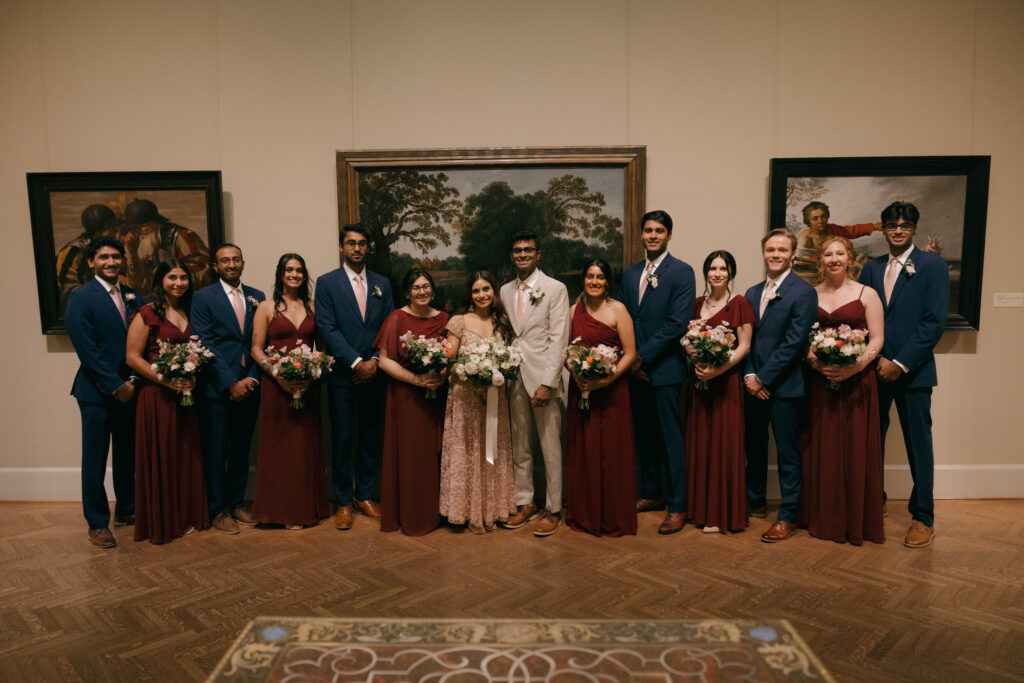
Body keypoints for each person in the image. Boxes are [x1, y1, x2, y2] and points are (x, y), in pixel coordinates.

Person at [859, 201, 948, 548]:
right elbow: (864, 319)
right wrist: (876, 360)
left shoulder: (933, 265)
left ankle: (923, 516)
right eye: (892, 225)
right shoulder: (871, 267)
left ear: (913, 227)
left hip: (913, 372)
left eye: (904, 225)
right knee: (870, 441)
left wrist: (899, 363)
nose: (898, 230)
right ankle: (874, 502)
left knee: (919, 446)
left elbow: (933, 322)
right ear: (883, 229)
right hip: (875, 371)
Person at [801, 236, 886, 545]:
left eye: (839, 253)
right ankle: (823, 517)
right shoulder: (810, 295)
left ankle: (855, 521)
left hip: (857, 383)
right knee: (823, 447)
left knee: (853, 448)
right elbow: (806, 339)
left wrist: (854, 367)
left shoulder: (867, 294)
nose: (833, 258)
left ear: (850, 258)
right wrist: (814, 362)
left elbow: (876, 340)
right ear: (819, 260)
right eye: (828, 254)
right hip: (821, 382)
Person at [315, 224, 394, 530]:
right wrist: (356, 361)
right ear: (341, 247)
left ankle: (365, 495)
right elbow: (327, 326)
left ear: (367, 247)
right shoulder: (327, 283)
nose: (357, 248)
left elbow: (389, 323)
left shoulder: (382, 284)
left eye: (362, 244)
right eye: (351, 243)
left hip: (375, 373)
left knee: (370, 436)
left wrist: (374, 360)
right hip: (342, 375)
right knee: (343, 438)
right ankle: (344, 501)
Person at [65, 237, 142, 548]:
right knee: (95, 460)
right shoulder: (81, 297)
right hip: (96, 392)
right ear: (91, 262)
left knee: (128, 455)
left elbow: (141, 344)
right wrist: (114, 385)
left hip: (130, 389)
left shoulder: (132, 296)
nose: (111, 262)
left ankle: (127, 509)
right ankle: (97, 523)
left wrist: (133, 381)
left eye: (116, 257)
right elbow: (86, 349)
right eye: (104, 257)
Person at [622, 210, 695, 535]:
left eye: (659, 230)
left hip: (664, 370)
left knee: (670, 439)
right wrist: (630, 361)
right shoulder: (631, 273)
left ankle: (678, 505)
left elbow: (676, 324)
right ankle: (651, 493)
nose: (653, 235)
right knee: (645, 437)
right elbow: (625, 319)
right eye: (648, 230)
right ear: (641, 234)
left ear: (669, 235)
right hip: (635, 371)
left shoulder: (682, 272)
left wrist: (642, 358)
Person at [126, 260, 208, 544]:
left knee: (186, 455)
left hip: (187, 394)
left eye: (184, 277)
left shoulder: (191, 310)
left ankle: (187, 514)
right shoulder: (147, 313)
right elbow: (133, 357)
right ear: (160, 280)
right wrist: (166, 380)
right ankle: (165, 520)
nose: (179, 283)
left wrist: (192, 376)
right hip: (157, 396)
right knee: (163, 456)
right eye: (172, 277)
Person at [743, 228, 818, 542]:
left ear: (792, 254)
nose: (775, 255)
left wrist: (763, 378)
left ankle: (789, 514)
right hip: (752, 385)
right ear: (763, 252)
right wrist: (749, 376)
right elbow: (743, 339)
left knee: (787, 453)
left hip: (785, 386)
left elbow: (794, 343)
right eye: (770, 249)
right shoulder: (751, 292)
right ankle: (755, 501)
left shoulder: (803, 292)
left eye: (782, 250)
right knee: (754, 447)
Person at [499, 231, 571, 537]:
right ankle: (525, 502)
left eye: (529, 250)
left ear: (538, 254)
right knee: (520, 446)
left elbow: (559, 340)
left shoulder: (555, 289)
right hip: (514, 378)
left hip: (544, 379)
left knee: (550, 447)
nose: (523, 254)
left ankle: (553, 508)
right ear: (512, 255)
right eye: (518, 251)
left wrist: (548, 382)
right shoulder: (504, 290)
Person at [250, 254, 329, 530]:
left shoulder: (313, 307)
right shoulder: (267, 307)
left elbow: (322, 349)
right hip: (276, 388)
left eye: (299, 270)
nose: (294, 274)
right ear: (281, 274)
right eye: (289, 270)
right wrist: (277, 375)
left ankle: (306, 508)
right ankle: (278, 511)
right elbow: (256, 349)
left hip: (307, 387)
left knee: (304, 447)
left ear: (304, 275)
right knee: (279, 448)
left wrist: (311, 375)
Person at [191, 244, 265, 535]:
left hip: (250, 385)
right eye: (225, 261)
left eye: (235, 259)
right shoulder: (202, 297)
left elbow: (263, 343)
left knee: (241, 449)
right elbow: (204, 343)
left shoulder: (257, 297)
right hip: (217, 388)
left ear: (243, 263)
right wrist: (230, 383)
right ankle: (218, 509)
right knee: (216, 450)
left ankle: (236, 502)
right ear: (215, 266)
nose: (231, 264)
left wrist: (252, 378)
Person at [439, 271, 517, 534]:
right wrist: (470, 370)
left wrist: (497, 370)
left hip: (494, 398)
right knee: (468, 450)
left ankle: (491, 510)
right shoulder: (459, 321)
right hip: (465, 398)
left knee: (493, 450)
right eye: (476, 291)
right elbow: (448, 359)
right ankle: (466, 511)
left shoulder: (501, 323)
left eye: (486, 289)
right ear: (469, 295)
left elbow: (507, 358)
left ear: (494, 292)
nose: (482, 295)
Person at [565, 259, 638, 537]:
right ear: (583, 280)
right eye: (589, 276)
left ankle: (612, 516)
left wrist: (606, 379)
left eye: (600, 277)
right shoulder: (573, 311)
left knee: (612, 451)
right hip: (582, 390)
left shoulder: (618, 309)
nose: (594, 281)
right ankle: (585, 513)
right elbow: (567, 350)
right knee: (584, 450)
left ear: (607, 281)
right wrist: (577, 373)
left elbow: (630, 352)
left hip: (612, 392)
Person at [683, 251, 754, 534]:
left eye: (723, 268)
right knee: (700, 441)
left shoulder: (740, 303)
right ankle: (698, 509)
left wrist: (718, 369)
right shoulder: (696, 304)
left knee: (724, 443)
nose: (717, 273)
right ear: (706, 272)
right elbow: (686, 338)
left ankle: (721, 513)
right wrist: (695, 357)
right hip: (699, 381)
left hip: (725, 384)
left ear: (731, 273)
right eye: (712, 268)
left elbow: (744, 345)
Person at [375, 268, 449, 536]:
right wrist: (416, 380)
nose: (422, 291)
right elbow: (384, 359)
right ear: (407, 292)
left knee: (434, 455)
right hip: (406, 398)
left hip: (435, 398)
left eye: (426, 286)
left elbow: (450, 356)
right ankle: (411, 515)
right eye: (416, 287)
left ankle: (435, 512)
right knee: (409, 456)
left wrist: (439, 376)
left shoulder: (444, 319)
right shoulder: (396, 318)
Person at [116, 198, 211, 292]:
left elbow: (204, 268)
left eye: (141, 227)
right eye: (133, 228)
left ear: (154, 222)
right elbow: (140, 284)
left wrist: (168, 273)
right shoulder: (134, 243)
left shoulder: (181, 236)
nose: (137, 232)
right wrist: (132, 254)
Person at [792, 201, 881, 284]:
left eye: (823, 216)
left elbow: (849, 231)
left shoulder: (830, 228)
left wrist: (873, 227)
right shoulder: (806, 239)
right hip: (814, 271)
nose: (821, 221)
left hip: (834, 262)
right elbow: (801, 262)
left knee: (868, 265)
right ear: (808, 221)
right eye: (815, 218)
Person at [56, 204, 119, 313]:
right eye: (111, 228)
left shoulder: (105, 248)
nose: (115, 232)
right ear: (98, 231)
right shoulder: (74, 251)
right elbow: (66, 288)